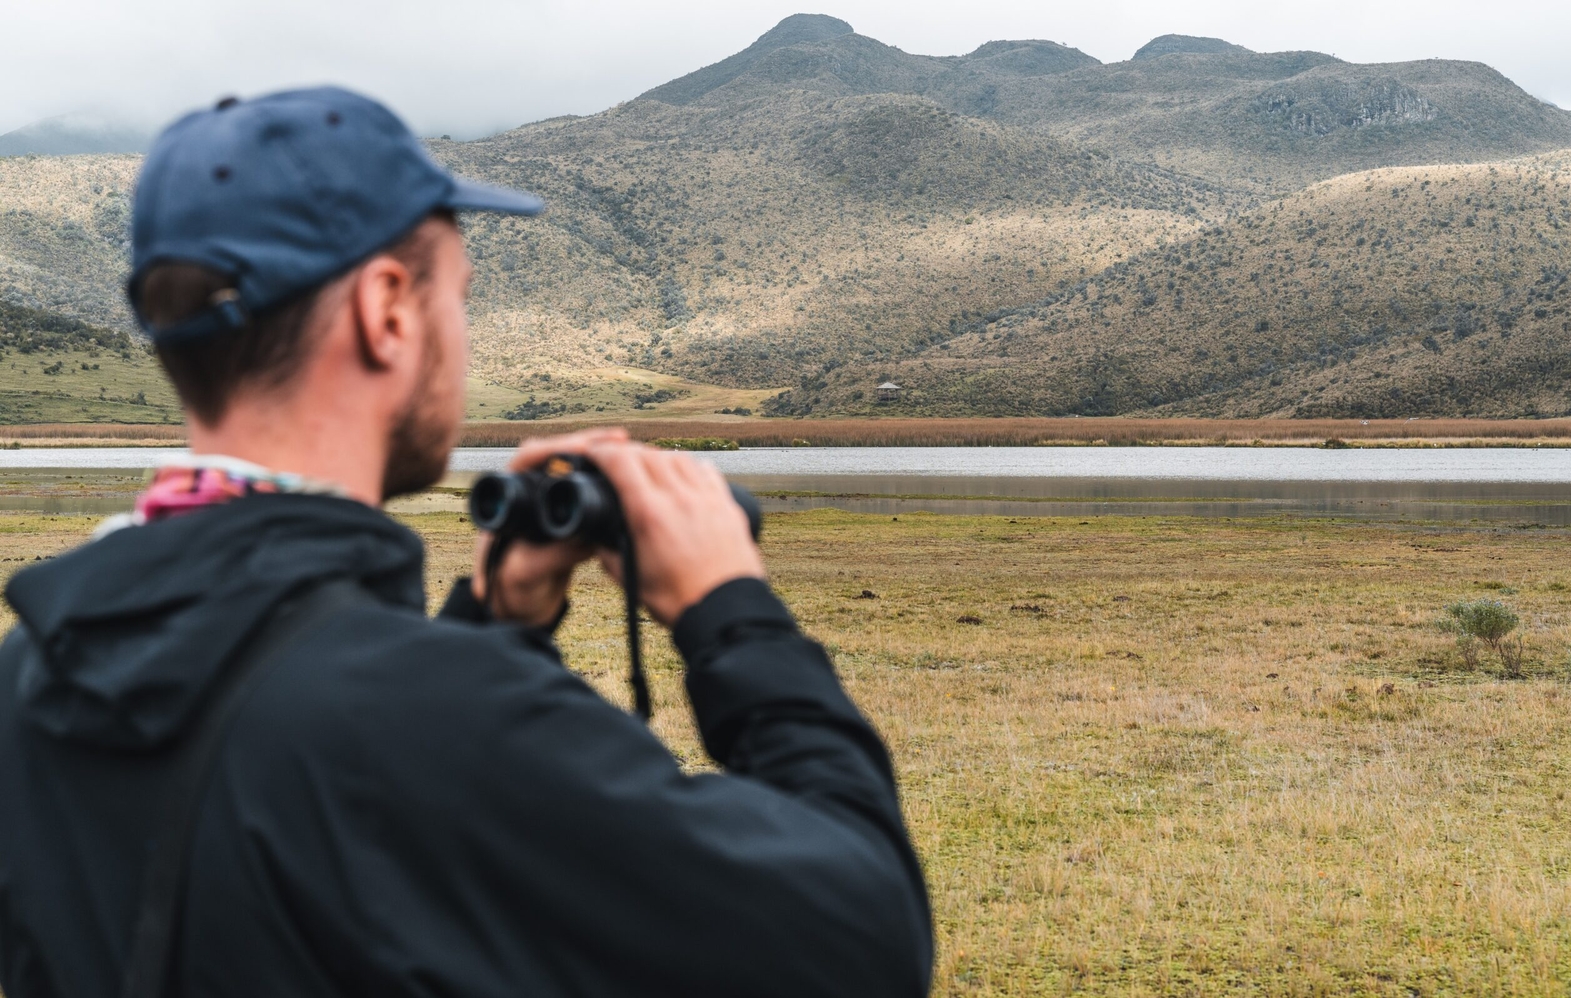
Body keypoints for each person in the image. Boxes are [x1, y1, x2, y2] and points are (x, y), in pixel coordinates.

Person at [0, 87, 931, 997]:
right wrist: (734, 616)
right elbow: (866, 935)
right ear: (389, 309)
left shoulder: (34, 671)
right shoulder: (426, 716)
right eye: (461, 300)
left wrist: (492, 623)